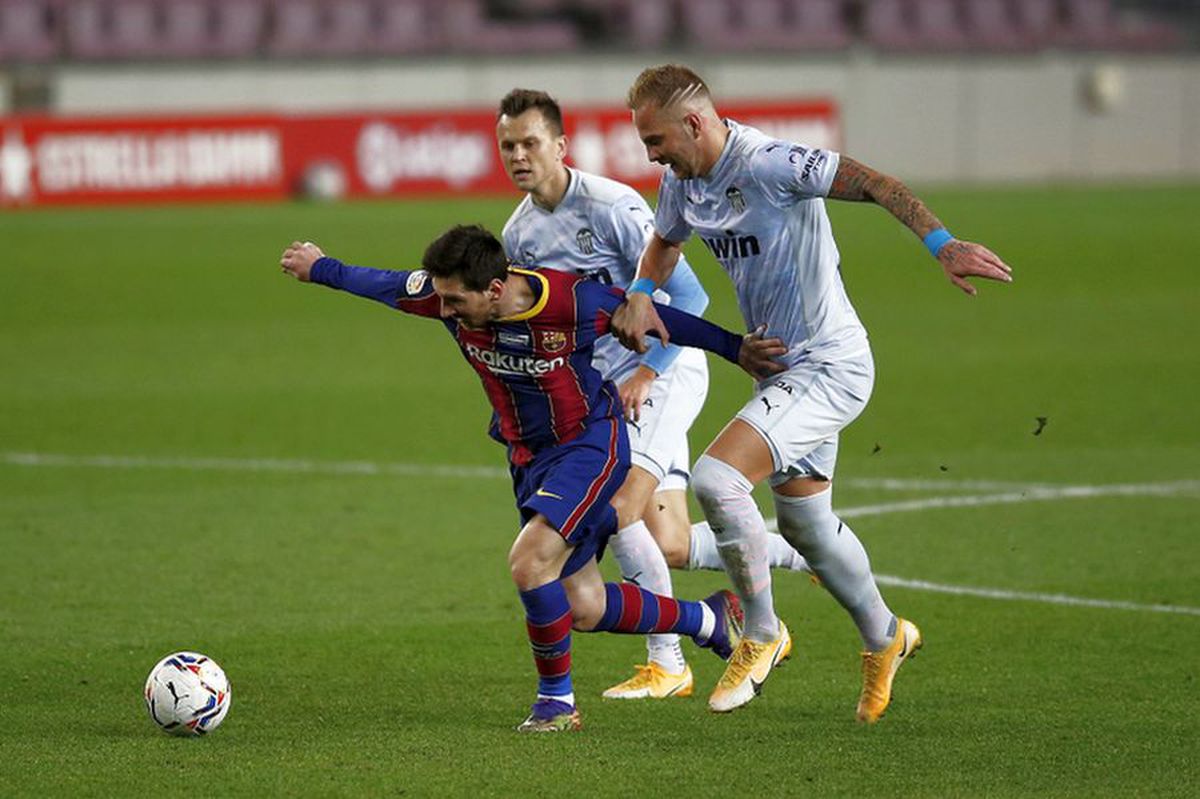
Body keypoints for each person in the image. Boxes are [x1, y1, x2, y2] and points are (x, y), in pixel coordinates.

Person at [612, 65, 1013, 720]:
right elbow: (663, 243)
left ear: (694, 122)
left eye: (655, 140)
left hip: (830, 365)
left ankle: (762, 633)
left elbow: (876, 182)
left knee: (716, 479)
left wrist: (941, 243)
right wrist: (637, 293)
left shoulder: (772, 164)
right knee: (809, 528)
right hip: (778, 374)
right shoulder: (680, 182)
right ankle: (887, 636)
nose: (650, 153)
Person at [278, 225, 789, 732]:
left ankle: (557, 703)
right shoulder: (445, 297)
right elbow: (384, 284)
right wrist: (318, 268)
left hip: (589, 445)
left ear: (494, 290)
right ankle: (708, 620)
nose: (446, 312)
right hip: (529, 458)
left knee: (529, 560)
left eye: (456, 302)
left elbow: (662, 318)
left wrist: (735, 347)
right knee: (584, 607)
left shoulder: (571, 302)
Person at [494, 88, 810, 701]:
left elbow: (688, 299)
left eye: (530, 142)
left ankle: (668, 661)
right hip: (603, 392)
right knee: (667, 539)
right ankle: (800, 553)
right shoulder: (520, 234)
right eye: (508, 145)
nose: (519, 155)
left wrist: (649, 371)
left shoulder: (612, 206)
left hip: (662, 372)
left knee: (618, 510)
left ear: (560, 145)